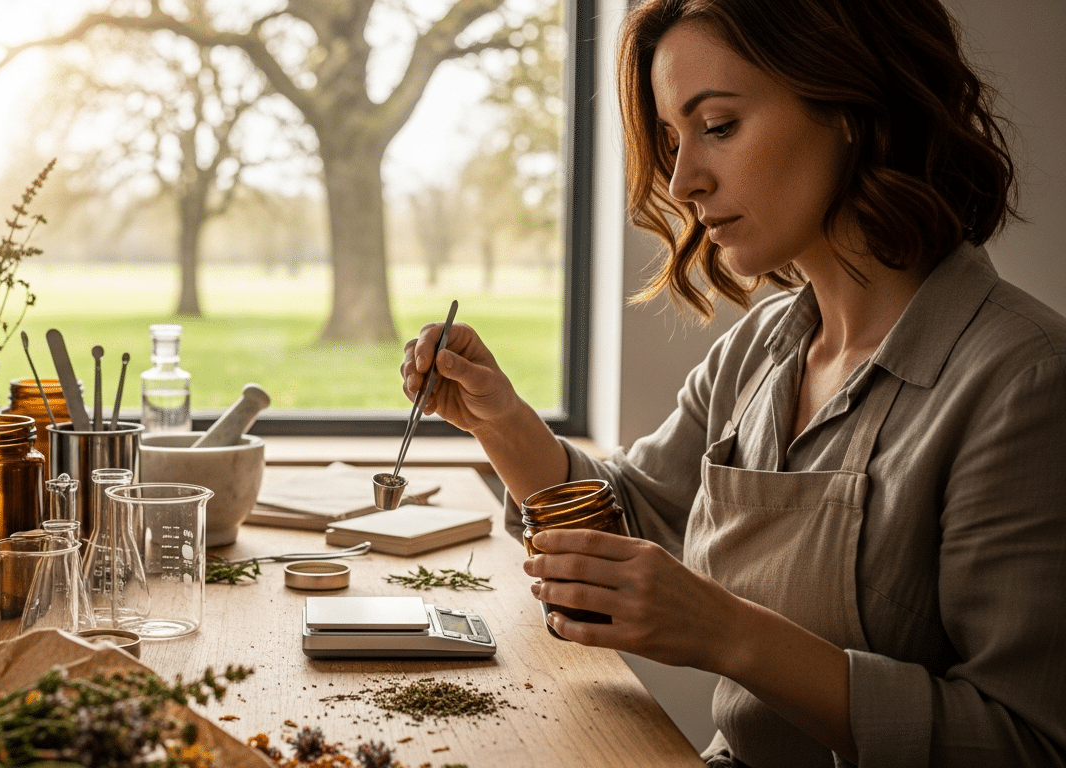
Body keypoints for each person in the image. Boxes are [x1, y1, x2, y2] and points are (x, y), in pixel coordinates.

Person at [399, 0, 1066, 765]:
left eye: (717, 126)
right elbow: (626, 536)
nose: (683, 179)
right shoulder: (762, 348)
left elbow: (1025, 745)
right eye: (673, 141)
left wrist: (728, 635)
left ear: (851, 106)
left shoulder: (1026, 381)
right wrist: (500, 419)